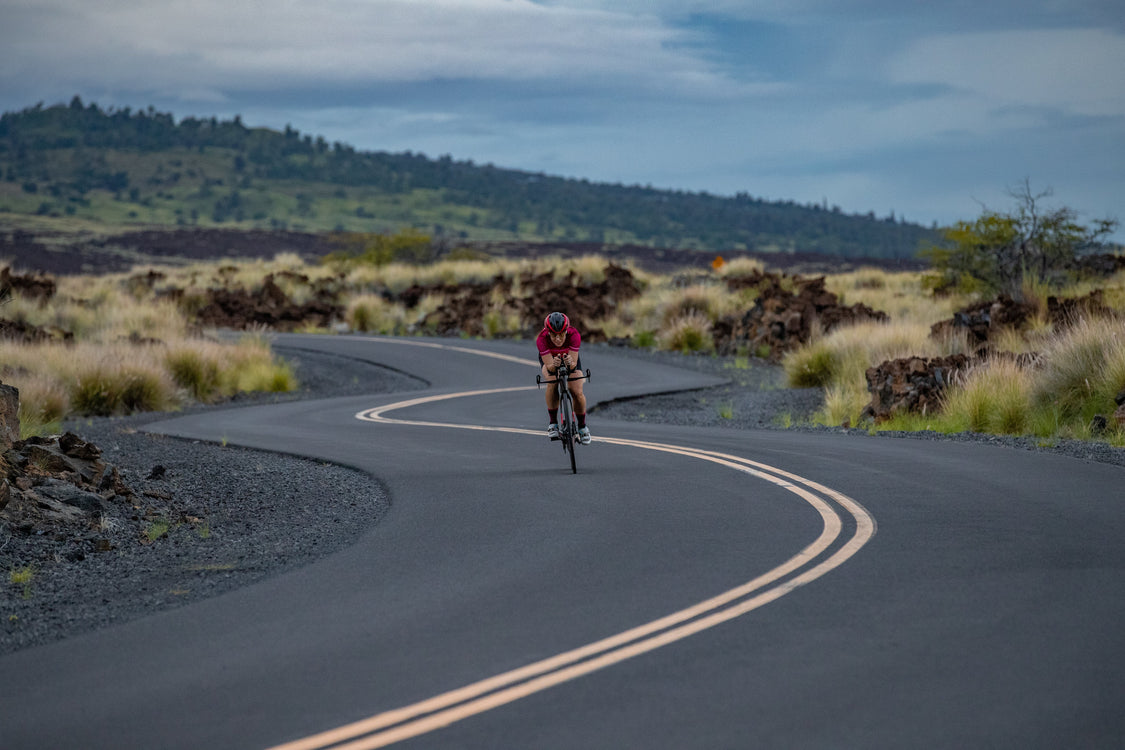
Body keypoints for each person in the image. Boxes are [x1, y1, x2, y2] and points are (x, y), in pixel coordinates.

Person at [536, 311, 591, 444]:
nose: (558, 339)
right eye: (554, 335)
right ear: (548, 332)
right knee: (552, 382)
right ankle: (553, 423)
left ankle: (582, 426)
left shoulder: (574, 335)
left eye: (561, 334)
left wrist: (570, 364)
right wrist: (553, 366)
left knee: (577, 391)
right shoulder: (541, 339)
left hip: (570, 359)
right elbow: (549, 367)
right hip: (551, 360)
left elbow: (573, 365)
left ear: (566, 331)